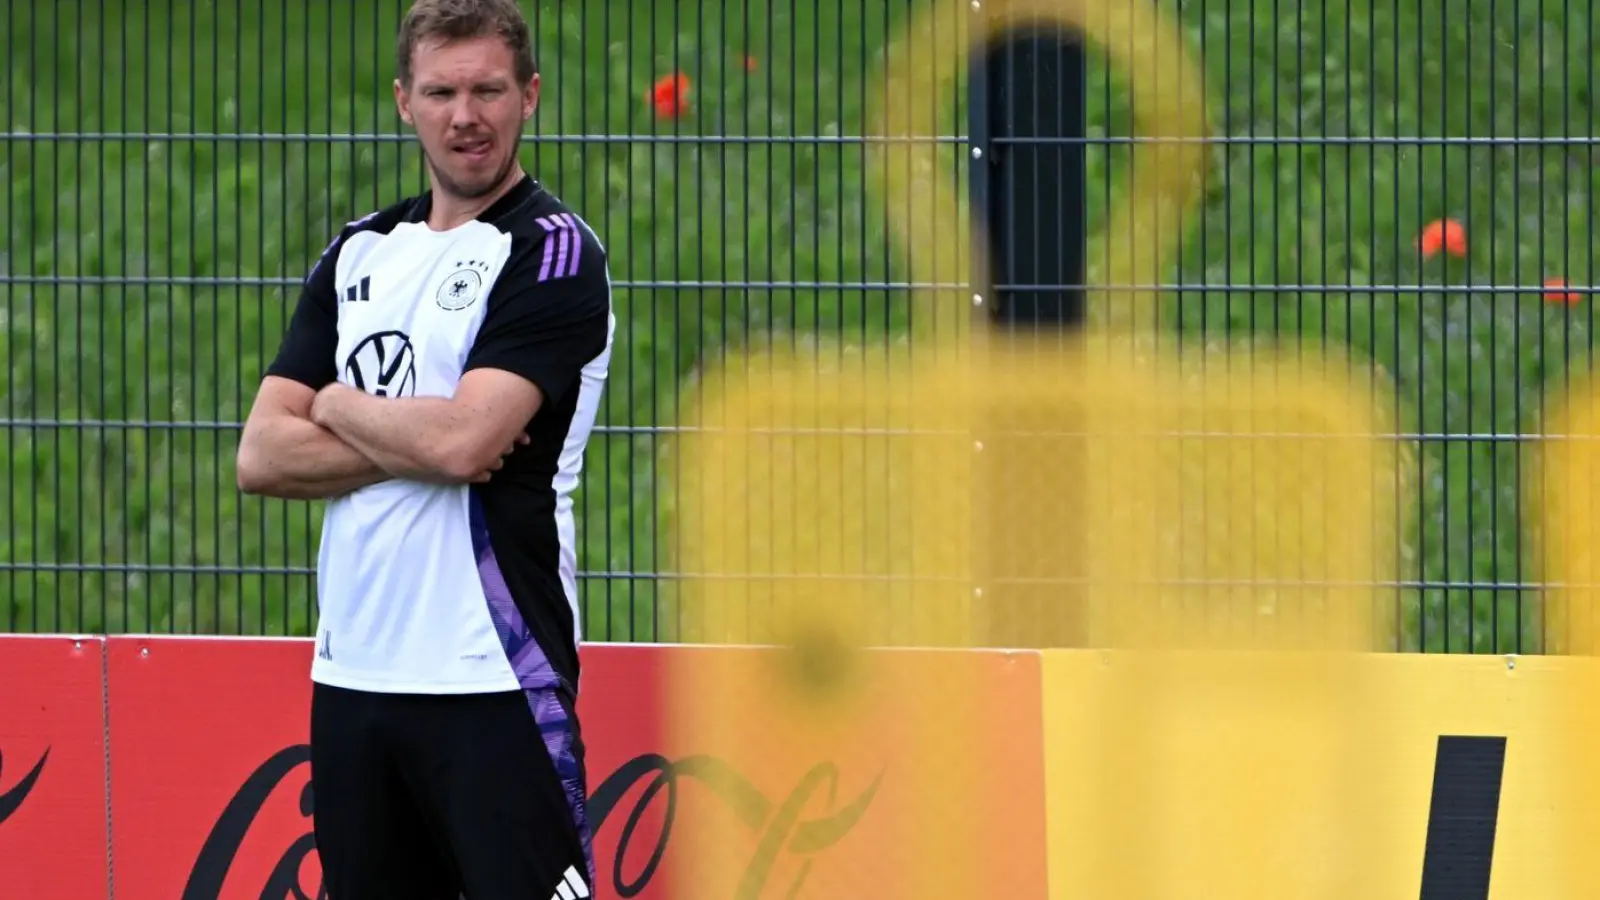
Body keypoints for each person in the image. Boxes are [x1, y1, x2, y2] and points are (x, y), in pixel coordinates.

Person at [235, 0, 611, 896]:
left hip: (494, 675)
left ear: (530, 95)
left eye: (488, 90)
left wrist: (336, 405)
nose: (465, 115)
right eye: (441, 91)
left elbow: (467, 442)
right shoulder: (359, 251)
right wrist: (421, 431)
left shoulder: (551, 253)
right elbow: (262, 455)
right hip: (354, 674)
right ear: (405, 101)